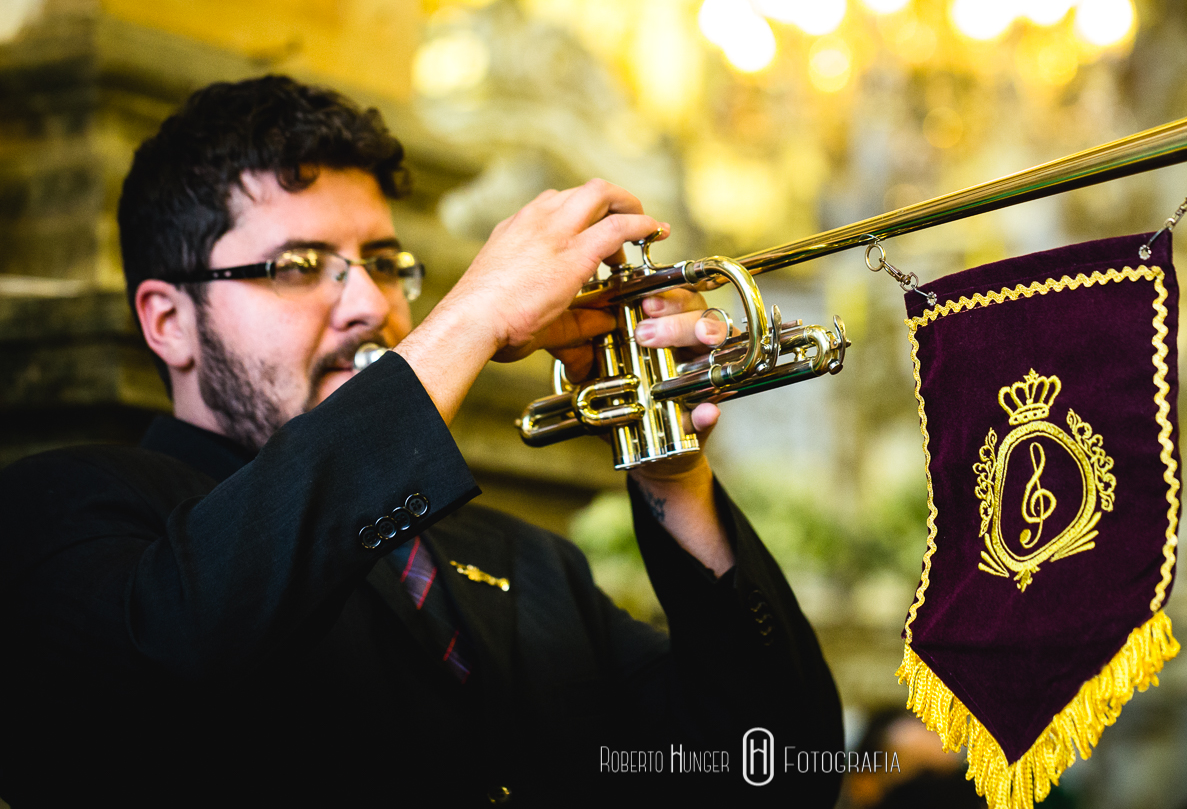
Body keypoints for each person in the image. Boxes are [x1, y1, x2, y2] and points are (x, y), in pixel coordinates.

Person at [0, 77, 842, 807]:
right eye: (298, 265)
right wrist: (470, 318)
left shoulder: (529, 562)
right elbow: (171, 659)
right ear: (169, 321)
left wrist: (672, 473)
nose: (371, 304)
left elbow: (764, 774)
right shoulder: (66, 508)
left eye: (385, 261)